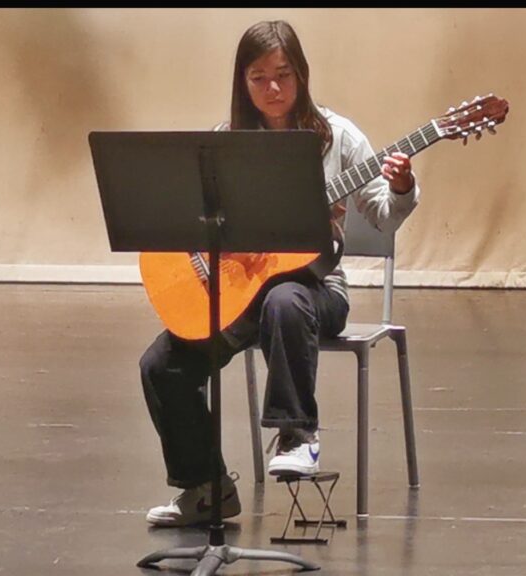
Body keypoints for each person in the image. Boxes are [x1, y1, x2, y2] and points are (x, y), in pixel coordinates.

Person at [139, 19, 420, 527]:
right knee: (162, 365)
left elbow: (381, 213)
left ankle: (297, 435)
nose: (273, 88)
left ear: (302, 75)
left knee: (285, 298)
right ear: (242, 82)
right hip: (243, 294)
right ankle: (206, 489)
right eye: (259, 77)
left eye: (283, 75)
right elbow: (190, 214)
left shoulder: (338, 138)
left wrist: (400, 187)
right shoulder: (225, 142)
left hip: (317, 290)